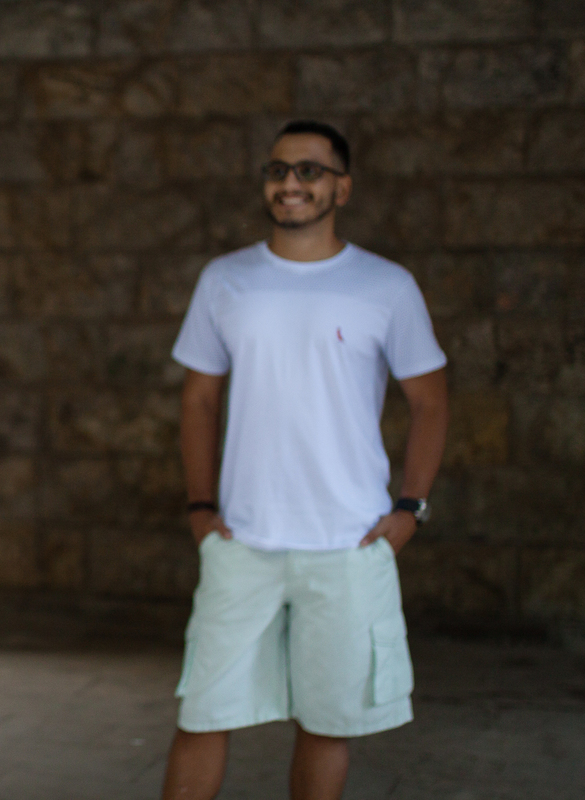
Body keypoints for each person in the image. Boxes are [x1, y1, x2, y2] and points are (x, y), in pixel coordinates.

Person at [161, 120, 449, 800]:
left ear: (341, 187)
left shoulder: (386, 286)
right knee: (203, 712)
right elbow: (199, 401)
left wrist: (410, 509)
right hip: (242, 540)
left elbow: (430, 403)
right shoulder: (226, 280)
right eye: (278, 170)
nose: (290, 183)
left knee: (327, 723)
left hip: (348, 542)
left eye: (309, 171)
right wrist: (201, 509)